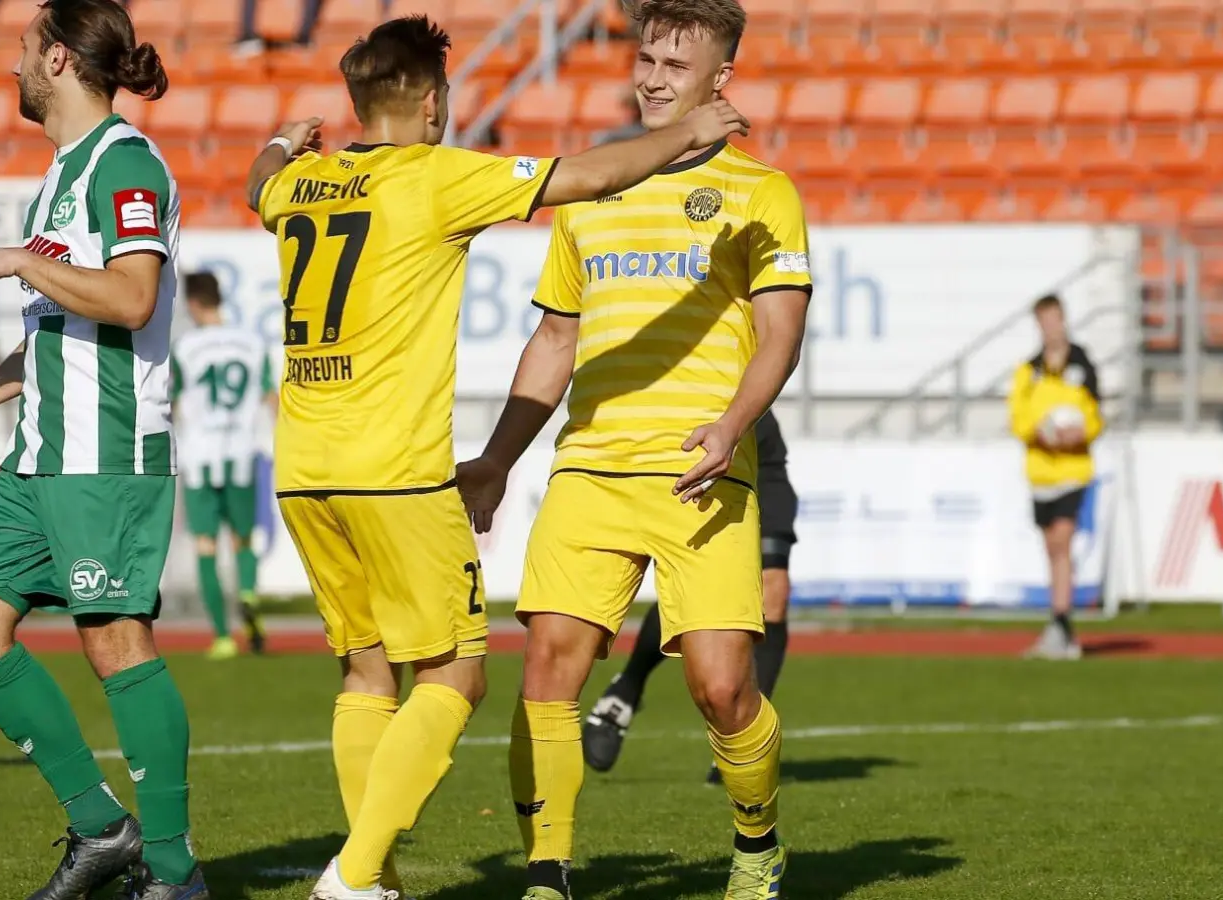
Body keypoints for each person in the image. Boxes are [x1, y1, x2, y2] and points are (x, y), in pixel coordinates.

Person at [245, 14, 751, 900]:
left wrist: (283, 141)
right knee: (457, 677)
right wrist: (689, 132)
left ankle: (379, 879)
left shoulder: (300, 186)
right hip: (396, 471)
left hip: (303, 469)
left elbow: (258, 184)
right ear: (434, 105)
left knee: (366, 670)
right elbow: (589, 175)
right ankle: (355, 873)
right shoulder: (438, 176)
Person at [454, 0, 814, 896]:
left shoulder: (763, 192)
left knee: (723, 690)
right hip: (590, 469)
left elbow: (780, 335)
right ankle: (548, 871)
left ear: (719, 82)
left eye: (675, 66)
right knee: (547, 669)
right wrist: (496, 460)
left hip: (703, 475)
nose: (652, 77)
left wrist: (730, 429)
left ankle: (757, 844)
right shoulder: (592, 187)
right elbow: (554, 342)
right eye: (645, 58)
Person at [0, 1, 209, 896]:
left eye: (21, 52)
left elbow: (128, 298)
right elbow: (59, 316)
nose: (11, 68)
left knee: (116, 643)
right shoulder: (60, 175)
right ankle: (101, 826)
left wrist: (13, 260)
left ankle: (174, 873)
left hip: (104, 450)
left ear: (58, 60)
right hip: (38, 453)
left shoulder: (125, 162)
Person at [582, 412, 798, 782]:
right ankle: (627, 687)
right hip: (686, 427)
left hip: (755, 434)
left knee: (773, 589)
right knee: (691, 587)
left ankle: (741, 738)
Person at [170, 270, 273, 659]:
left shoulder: (185, 347)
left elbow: (176, 401)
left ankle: (222, 637)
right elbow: (269, 396)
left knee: (206, 544)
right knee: (243, 538)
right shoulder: (251, 343)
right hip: (241, 453)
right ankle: (247, 593)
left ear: (194, 303)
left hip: (200, 457)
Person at [1008, 294, 1102, 662]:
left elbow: (1095, 415)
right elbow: (1017, 417)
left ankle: (1061, 622)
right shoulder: (1029, 371)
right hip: (1041, 472)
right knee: (1051, 547)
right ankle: (1059, 624)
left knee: (1062, 541)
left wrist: (1080, 434)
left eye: (1055, 319)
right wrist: (1039, 434)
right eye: (1044, 321)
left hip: (1073, 471)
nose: (1051, 327)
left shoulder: (1082, 365)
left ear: (1064, 320)